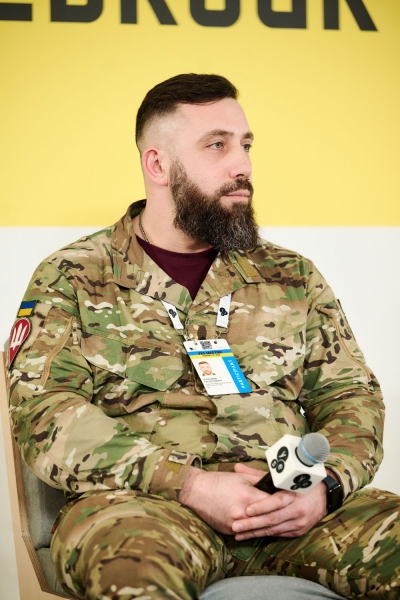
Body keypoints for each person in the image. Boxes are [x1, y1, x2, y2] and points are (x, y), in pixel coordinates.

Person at [6, 74, 399, 600]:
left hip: (291, 508)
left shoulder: (292, 275)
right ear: (158, 165)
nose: (243, 166)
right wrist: (189, 483)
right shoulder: (72, 275)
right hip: (145, 511)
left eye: (246, 145)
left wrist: (327, 486)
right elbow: (44, 413)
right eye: (217, 145)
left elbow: (350, 395)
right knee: (132, 572)